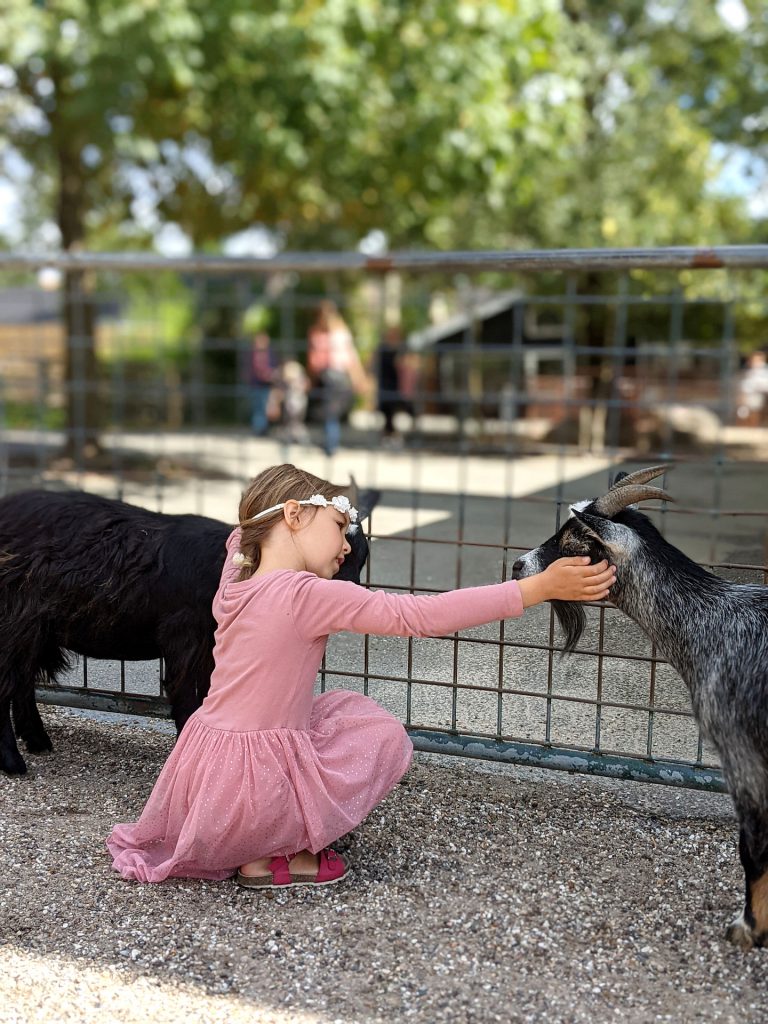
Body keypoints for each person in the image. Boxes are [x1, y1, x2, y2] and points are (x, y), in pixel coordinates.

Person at [107, 463, 616, 889]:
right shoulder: (307, 595)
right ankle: (265, 854)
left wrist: (295, 522)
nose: (348, 544)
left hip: (208, 768)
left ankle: (249, 838)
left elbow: (241, 536)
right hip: (251, 781)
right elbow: (421, 617)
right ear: (292, 515)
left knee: (335, 710)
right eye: (337, 525)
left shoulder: (235, 582)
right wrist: (538, 588)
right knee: (378, 734)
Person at [307, 301, 367, 455]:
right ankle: (331, 443)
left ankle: (330, 443)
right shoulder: (329, 333)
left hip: (334, 377)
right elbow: (351, 358)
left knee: (330, 411)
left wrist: (358, 378)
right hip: (331, 377)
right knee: (330, 411)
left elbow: (350, 358)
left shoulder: (337, 334)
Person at [374, 325, 414, 447]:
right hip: (384, 384)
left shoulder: (402, 349)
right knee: (387, 412)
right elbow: (374, 364)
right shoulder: (382, 348)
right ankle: (389, 434)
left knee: (403, 409)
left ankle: (400, 434)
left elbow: (409, 365)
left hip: (398, 385)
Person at [249, 331, 278, 436]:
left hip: (268, 384)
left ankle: (265, 429)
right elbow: (251, 370)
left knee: (267, 407)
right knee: (258, 407)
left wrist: (271, 375)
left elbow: (275, 367)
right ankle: (258, 430)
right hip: (256, 384)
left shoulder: (270, 353)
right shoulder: (252, 353)